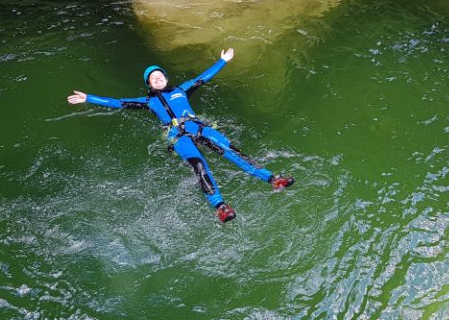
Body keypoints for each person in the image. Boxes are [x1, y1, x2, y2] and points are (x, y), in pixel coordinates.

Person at [67, 48, 293, 222]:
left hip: (199, 128)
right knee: (199, 166)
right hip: (178, 137)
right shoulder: (148, 101)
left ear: (166, 78)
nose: (157, 78)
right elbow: (119, 103)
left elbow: (203, 78)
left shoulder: (181, 89)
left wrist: (222, 61)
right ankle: (221, 208)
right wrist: (89, 98)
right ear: (149, 85)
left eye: (160, 75)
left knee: (231, 152)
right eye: (152, 78)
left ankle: (272, 179)